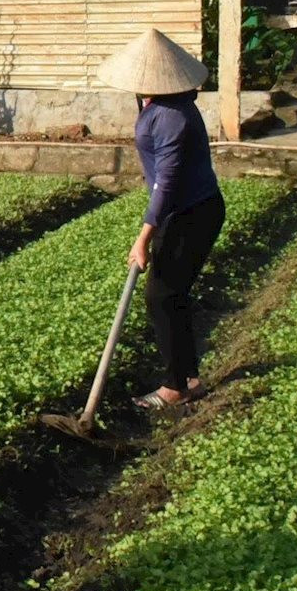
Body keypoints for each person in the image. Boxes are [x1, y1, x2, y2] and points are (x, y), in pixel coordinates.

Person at [100, 26, 224, 412]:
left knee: (162, 295)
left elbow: (167, 182)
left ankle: (175, 386)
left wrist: (143, 238)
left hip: (191, 212)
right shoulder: (160, 104)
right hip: (181, 210)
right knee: (172, 295)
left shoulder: (172, 116)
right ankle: (187, 377)